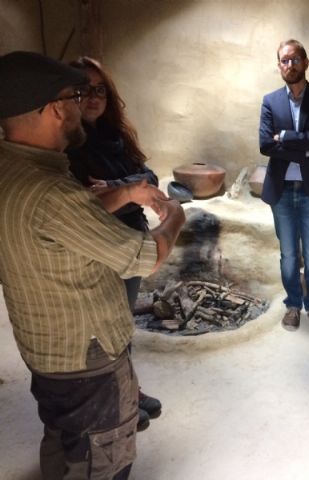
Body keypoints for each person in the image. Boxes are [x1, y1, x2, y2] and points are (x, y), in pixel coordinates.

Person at [0, 51, 185, 479]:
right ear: (55, 108)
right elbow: (146, 256)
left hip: (48, 352)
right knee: (102, 461)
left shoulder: (13, 169)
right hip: (87, 362)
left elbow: (67, 218)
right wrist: (175, 216)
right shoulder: (52, 193)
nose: (82, 104)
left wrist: (126, 192)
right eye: (76, 95)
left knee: (65, 443)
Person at [66, 56, 163, 430]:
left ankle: (128, 390)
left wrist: (120, 187)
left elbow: (150, 177)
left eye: (100, 89)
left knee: (122, 326)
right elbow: (89, 200)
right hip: (100, 246)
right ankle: (114, 401)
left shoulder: (116, 137)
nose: (93, 97)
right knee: (103, 331)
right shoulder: (69, 145)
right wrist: (131, 189)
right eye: (82, 90)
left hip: (132, 236)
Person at [259, 39, 309, 330]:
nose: (289, 65)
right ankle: (293, 305)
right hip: (281, 192)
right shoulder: (270, 101)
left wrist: (285, 137)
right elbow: (265, 145)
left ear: (305, 62)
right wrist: (305, 144)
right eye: (284, 60)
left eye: (294, 60)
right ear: (279, 65)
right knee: (289, 256)